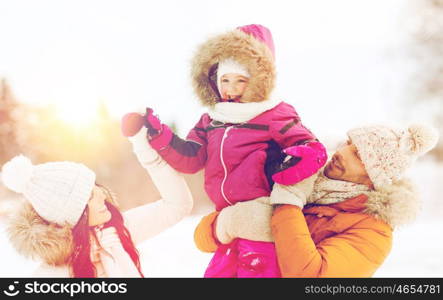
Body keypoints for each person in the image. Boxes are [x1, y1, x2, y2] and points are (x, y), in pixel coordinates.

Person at [121, 24, 327, 277]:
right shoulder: (212, 119)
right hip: (227, 221)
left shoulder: (275, 113)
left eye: (241, 80)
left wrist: (295, 161)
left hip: (261, 221)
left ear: (260, 79)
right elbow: (191, 158)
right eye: (224, 80)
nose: (230, 89)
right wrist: (159, 133)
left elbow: (309, 147)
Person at [194, 123, 439, 277]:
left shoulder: (373, 233)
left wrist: (289, 201)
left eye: (358, 155)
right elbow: (202, 240)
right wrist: (227, 223)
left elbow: (309, 277)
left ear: (375, 178)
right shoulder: (299, 177)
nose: (341, 152)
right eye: (348, 144)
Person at [1, 127, 193, 277]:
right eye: (90, 196)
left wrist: (146, 151)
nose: (102, 194)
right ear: (73, 217)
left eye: (96, 186)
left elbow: (178, 205)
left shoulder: (117, 232)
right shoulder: (49, 277)